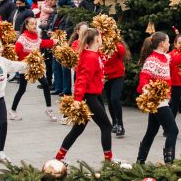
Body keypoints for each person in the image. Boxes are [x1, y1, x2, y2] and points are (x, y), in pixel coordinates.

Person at [54, 28, 113, 163]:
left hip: (94, 95)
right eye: (100, 37)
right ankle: (108, 161)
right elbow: (82, 79)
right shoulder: (90, 57)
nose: (102, 39)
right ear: (97, 39)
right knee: (106, 126)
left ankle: (59, 157)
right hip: (89, 97)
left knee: (78, 129)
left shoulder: (93, 54)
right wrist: (78, 99)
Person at [135, 32, 179, 164]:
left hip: (162, 100)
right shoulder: (152, 60)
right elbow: (144, 78)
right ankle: (169, 163)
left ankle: (140, 161)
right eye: (168, 41)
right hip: (158, 101)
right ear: (161, 44)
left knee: (151, 131)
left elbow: (179, 58)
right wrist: (149, 93)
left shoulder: (166, 57)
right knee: (173, 130)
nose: (169, 44)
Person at [9, 17, 55, 122]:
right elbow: (16, 51)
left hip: (35, 67)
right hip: (25, 67)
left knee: (45, 84)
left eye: (35, 24)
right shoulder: (22, 38)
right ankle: (12, 111)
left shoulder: (36, 37)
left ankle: (49, 109)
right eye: (31, 24)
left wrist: (54, 41)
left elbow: (42, 43)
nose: (34, 26)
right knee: (22, 89)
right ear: (26, 26)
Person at [102, 37, 129, 138]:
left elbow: (122, 53)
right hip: (106, 76)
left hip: (117, 75)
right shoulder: (99, 43)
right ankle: (114, 123)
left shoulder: (116, 44)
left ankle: (120, 124)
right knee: (109, 100)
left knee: (115, 99)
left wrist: (114, 44)